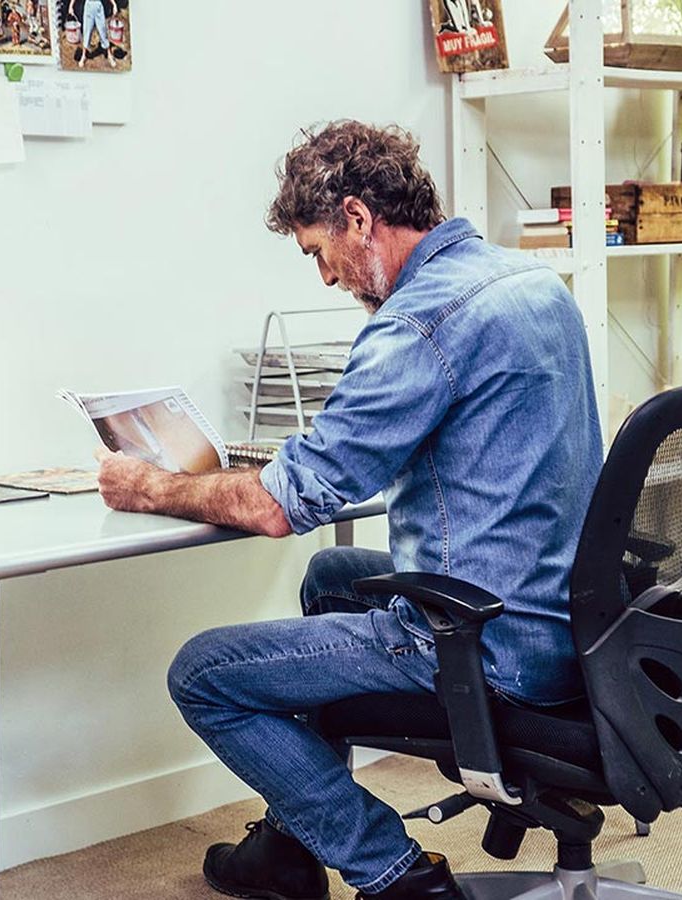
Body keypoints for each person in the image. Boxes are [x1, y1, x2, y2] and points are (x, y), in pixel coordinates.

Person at [94, 120, 602, 900]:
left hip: (492, 647)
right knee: (332, 575)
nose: (327, 277)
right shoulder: (529, 282)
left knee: (204, 674)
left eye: (317, 252)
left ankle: (393, 872)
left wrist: (149, 487)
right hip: (570, 620)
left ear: (358, 218)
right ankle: (291, 844)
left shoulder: (419, 323)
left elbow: (278, 508)